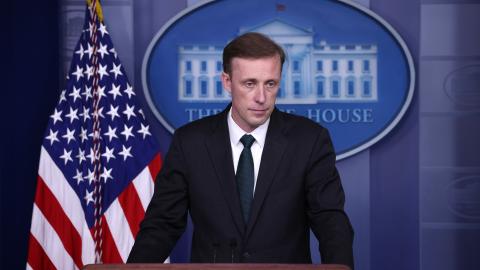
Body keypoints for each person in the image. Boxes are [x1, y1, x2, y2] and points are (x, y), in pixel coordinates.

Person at [128, 32, 354, 269]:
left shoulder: (310, 140)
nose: (261, 98)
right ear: (227, 82)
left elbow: (330, 220)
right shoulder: (190, 142)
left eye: (270, 84)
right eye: (249, 83)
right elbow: (163, 224)